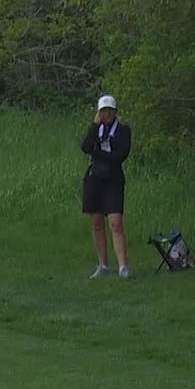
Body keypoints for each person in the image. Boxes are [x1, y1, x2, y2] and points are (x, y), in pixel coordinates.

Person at [81, 95, 133, 278]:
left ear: (115, 111)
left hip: (113, 179)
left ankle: (123, 266)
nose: (106, 114)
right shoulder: (96, 129)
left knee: (115, 222)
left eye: (109, 111)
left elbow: (120, 156)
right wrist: (94, 126)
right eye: (103, 111)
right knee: (96, 223)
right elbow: (86, 147)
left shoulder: (123, 130)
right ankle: (103, 265)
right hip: (94, 179)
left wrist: (99, 153)